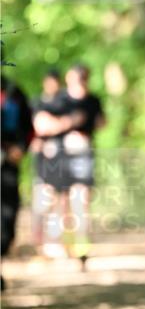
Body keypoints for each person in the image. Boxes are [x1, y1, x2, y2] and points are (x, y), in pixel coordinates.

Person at [32, 64, 105, 267]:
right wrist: (70, 123)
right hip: (61, 157)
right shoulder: (60, 99)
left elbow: (101, 122)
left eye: (83, 79)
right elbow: (41, 124)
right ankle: (62, 246)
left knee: (81, 201)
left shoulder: (93, 100)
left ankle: (81, 248)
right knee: (61, 202)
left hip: (84, 155)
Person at [1, 75, 34, 288]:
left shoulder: (15, 93)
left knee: (8, 217)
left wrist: (21, 148)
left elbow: (29, 128)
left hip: (9, 165)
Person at [30, 69, 63, 249]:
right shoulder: (36, 103)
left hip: (60, 157)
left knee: (57, 198)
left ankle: (53, 240)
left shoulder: (63, 102)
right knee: (41, 197)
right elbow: (36, 127)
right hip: (42, 158)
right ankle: (38, 240)